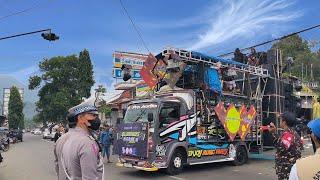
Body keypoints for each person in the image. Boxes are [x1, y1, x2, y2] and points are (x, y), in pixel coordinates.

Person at [54, 103, 103, 180]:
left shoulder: (61, 140)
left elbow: (58, 169)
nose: (97, 119)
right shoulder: (87, 142)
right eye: (93, 115)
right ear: (80, 118)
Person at [268, 112, 303, 180]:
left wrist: (273, 133)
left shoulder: (288, 135)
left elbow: (281, 147)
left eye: (281, 120)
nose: (279, 122)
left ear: (284, 122)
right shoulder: (293, 133)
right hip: (290, 168)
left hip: (287, 169)